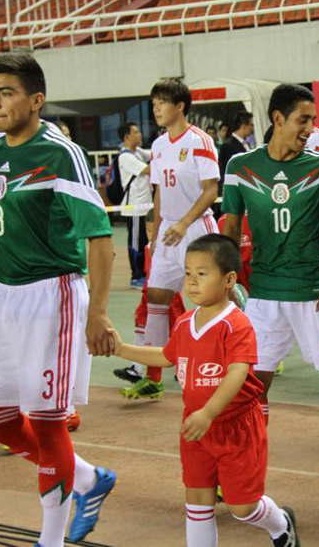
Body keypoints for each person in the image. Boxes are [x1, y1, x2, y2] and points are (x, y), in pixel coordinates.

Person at [0, 52, 116, 545]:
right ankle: (86, 478)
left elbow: (100, 238)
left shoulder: (61, 153)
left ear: (36, 100)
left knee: (48, 421)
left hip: (53, 295)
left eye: (6, 93)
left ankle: (50, 540)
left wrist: (97, 312)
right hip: (6, 296)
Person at [107, 234, 301, 547]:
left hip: (235, 427)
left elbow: (238, 373)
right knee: (197, 504)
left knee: (243, 508)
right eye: (187, 273)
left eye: (202, 273)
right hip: (196, 427)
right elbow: (166, 356)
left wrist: (209, 412)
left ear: (229, 280)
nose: (192, 281)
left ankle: (280, 524)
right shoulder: (184, 323)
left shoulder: (237, 324)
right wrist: (121, 349)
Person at [221, 83, 319, 483]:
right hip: (265, 294)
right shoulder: (240, 167)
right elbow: (231, 228)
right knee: (255, 381)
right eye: (304, 119)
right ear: (278, 119)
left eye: (313, 119)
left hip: (314, 291)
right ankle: (249, 460)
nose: (311, 127)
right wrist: (225, 282)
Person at [128, 78, 220, 400]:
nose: (156, 109)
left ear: (179, 106)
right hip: (169, 229)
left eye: (161, 103)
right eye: (153, 104)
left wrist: (183, 222)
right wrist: (156, 227)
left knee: (209, 297)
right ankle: (152, 375)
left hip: (196, 228)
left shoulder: (200, 141)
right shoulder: (157, 145)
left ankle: (230, 353)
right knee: (156, 296)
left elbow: (211, 190)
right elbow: (158, 190)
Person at [114, 210, 187, 388]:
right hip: (149, 297)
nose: (150, 234)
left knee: (177, 334)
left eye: (153, 230)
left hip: (170, 298)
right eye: (147, 230)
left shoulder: (173, 249)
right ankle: (138, 369)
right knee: (141, 326)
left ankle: (182, 367)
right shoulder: (149, 248)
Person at [116, 121, 152, 289]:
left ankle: (144, 274)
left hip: (144, 207)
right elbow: (148, 170)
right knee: (136, 244)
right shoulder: (125, 157)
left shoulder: (137, 152)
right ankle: (136, 277)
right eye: (136, 132)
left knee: (144, 242)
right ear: (127, 137)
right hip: (134, 208)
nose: (140, 135)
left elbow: (154, 154)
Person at [218, 111, 255, 183]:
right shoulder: (228, 146)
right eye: (251, 125)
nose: (252, 128)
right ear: (243, 126)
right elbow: (226, 171)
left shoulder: (245, 144)